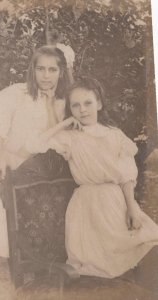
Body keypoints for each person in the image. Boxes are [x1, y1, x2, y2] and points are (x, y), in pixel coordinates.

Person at [33, 77, 158, 278]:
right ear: (70, 110)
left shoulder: (115, 135)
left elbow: (126, 175)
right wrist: (63, 124)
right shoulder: (70, 137)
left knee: (145, 241)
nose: (82, 109)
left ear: (99, 103)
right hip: (87, 206)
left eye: (88, 103)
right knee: (95, 263)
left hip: (117, 202)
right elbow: (37, 143)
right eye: (76, 105)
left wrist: (132, 207)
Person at [0, 45, 71, 258]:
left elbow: (61, 134)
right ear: (32, 70)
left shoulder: (65, 99)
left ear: (61, 72)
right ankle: (24, 251)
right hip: (15, 158)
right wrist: (0, 159)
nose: (46, 76)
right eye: (41, 69)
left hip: (47, 163)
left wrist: (51, 102)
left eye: (52, 70)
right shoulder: (15, 94)